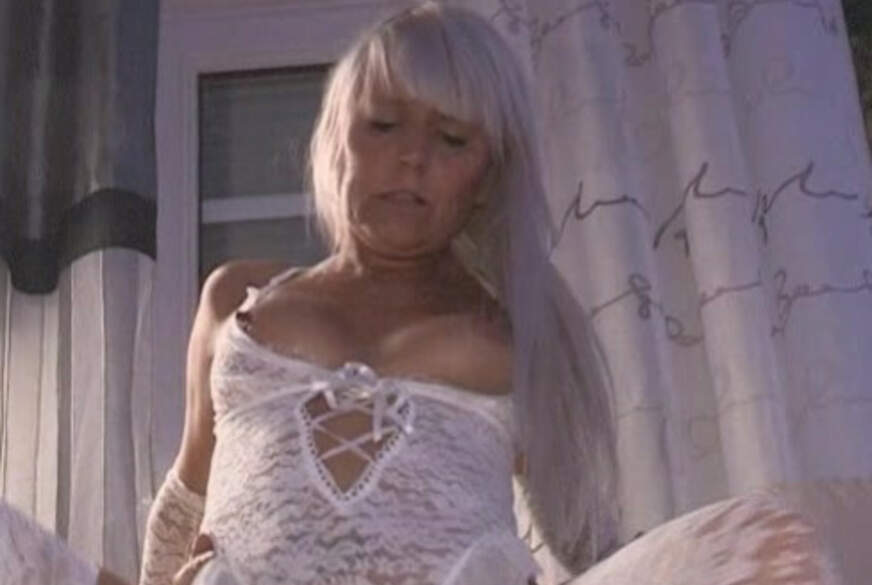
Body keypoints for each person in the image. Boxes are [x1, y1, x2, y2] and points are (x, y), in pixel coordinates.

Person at [1, 3, 616, 585]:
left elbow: (592, 550)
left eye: (452, 138)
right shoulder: (235, 297)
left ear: (488, 177)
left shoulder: (525, 333)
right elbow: (186, 500)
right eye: (383, 125)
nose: (412, 156)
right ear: (335, 136)